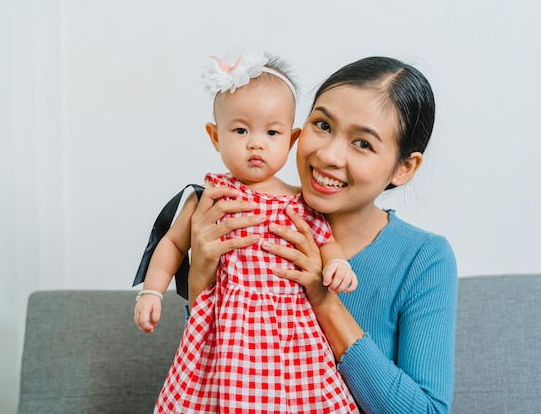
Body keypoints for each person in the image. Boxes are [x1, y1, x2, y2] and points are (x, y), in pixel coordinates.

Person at [187, 56, 458, 414]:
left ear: (405, 167)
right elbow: (211, 376)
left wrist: (324, 299)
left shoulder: (423, 258)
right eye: (322, 125)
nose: (328, 155)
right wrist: (198, 277)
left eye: (362, 143)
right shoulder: (240, 220)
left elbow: (427, 411)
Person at [134, 48, 359, 413]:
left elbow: (327, 243)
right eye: (240, 130)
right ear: (215, 136)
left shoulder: (302, 203)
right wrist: (151, 292)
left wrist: (338, 265)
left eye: (272, 132)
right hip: (225, 332)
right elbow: (172, 244)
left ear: (291, 139)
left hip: (291, 331)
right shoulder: (207, 197)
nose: (256, 143)